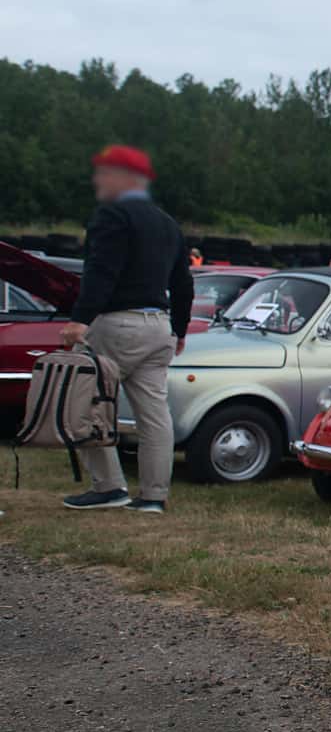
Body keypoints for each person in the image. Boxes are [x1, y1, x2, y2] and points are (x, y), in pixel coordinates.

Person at [58, 145, 194, 513]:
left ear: (125, 178)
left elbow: (101, 271)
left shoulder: (112, 216)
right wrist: (179, 329)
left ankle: (109, 486)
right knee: (154, 414)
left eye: (103, 173)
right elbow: (183, 283)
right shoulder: (168, 223)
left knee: (83, 402)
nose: (96, 180)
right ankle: (153, 495)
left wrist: (79, 319)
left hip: (118, 324)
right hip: (159, 327)